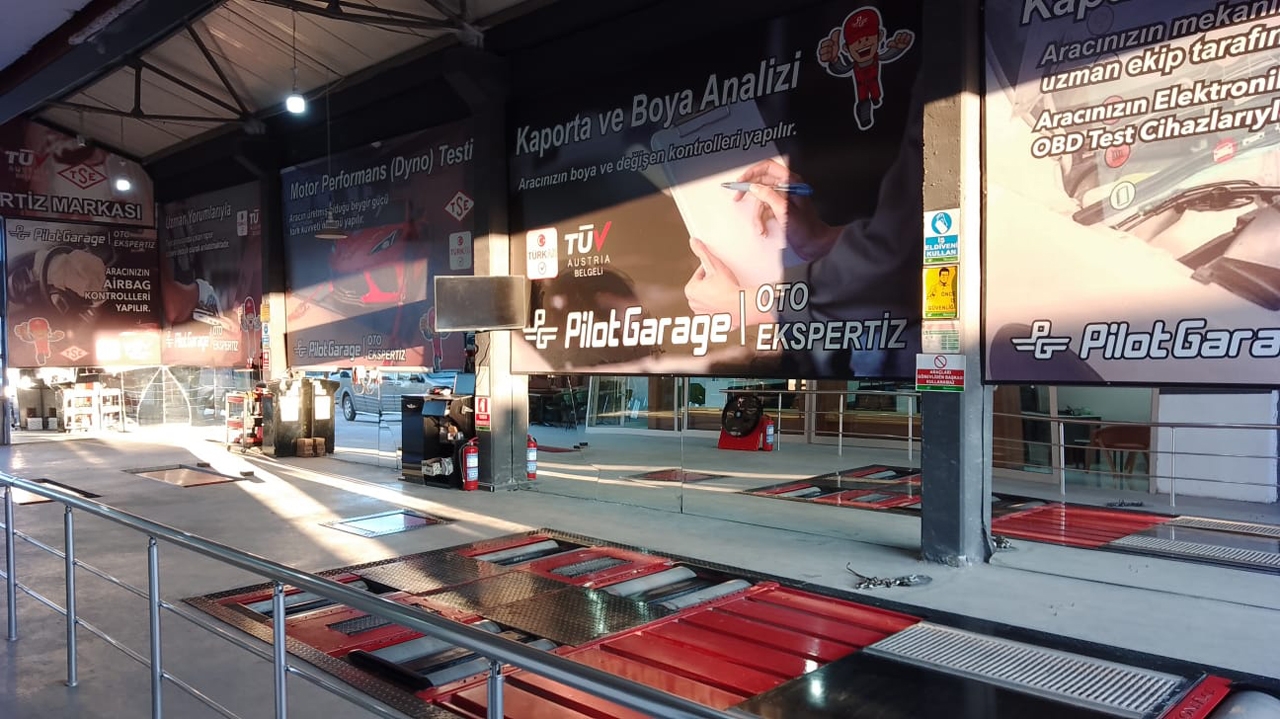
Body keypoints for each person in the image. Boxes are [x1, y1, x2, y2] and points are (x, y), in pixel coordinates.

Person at [684, 70, 924, 378]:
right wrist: (821, 241)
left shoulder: (953, 71)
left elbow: (902, 257)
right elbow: (913, 234)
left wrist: (746, 305)